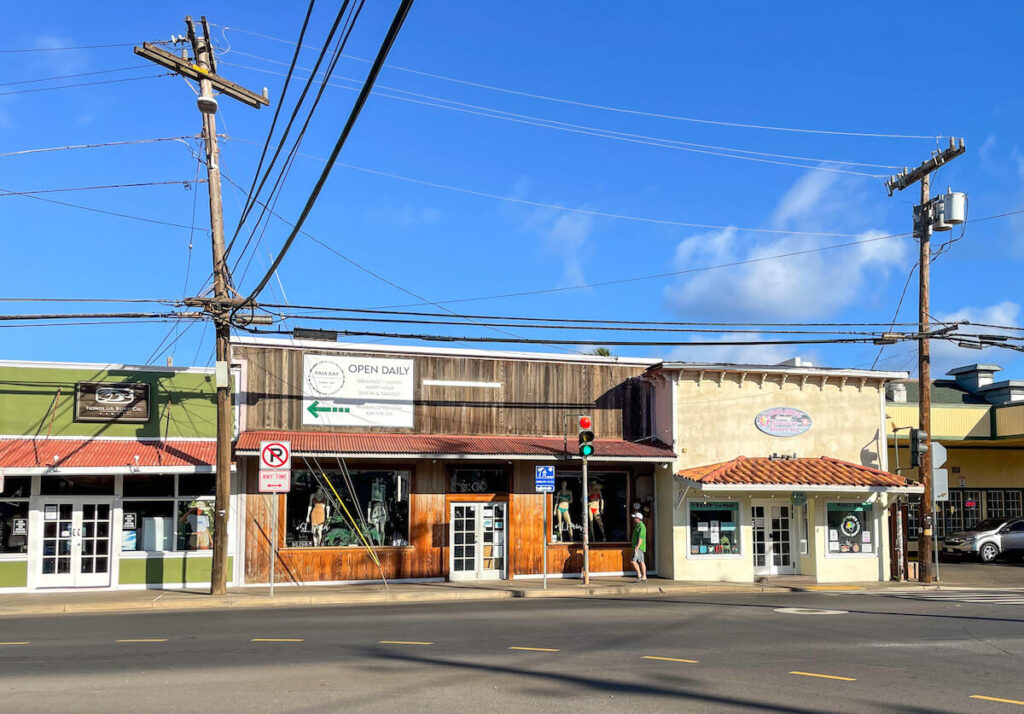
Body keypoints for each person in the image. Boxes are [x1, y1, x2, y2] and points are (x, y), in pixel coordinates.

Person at [630, 512, 647, 583]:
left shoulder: (641, 526)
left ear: (638, 519)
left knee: (633, 561)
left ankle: (640, 575)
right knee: (641, 561)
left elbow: (641, 538)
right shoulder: (638, 525)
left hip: (639, 547)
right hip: (638, 547)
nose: (634, 519)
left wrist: (637, 547)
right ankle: (644, 577)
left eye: (635, 518)